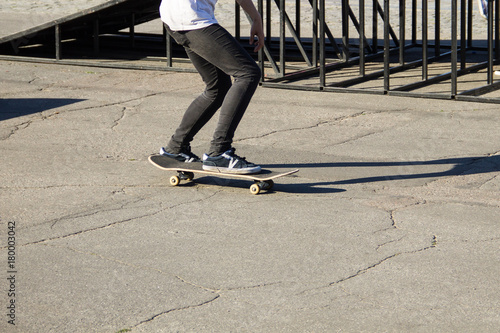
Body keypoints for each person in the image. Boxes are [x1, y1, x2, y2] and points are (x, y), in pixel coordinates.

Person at [158, 0, 264, 174]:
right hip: (192, 17)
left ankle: (176, 148)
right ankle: (219, 152)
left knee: (218, 88)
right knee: (248, 73)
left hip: (175, 15)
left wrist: (256, 18)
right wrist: (256, 18)